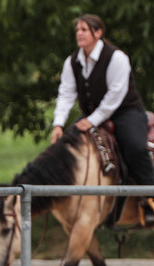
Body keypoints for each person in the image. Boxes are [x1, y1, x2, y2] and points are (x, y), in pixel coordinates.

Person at [51, 14, 154, 225]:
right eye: (78, 30)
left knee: (135, 147)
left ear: (98, 33)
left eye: (84, 30)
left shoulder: (116, 58)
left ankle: (150, 198)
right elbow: (66, 93)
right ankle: (71, 199)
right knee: (66, 147)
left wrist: (93, 120)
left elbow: (116, 95)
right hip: (92, 116)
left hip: (125, 112)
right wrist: (58, 124)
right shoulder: (72, 61)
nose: (79, 33)